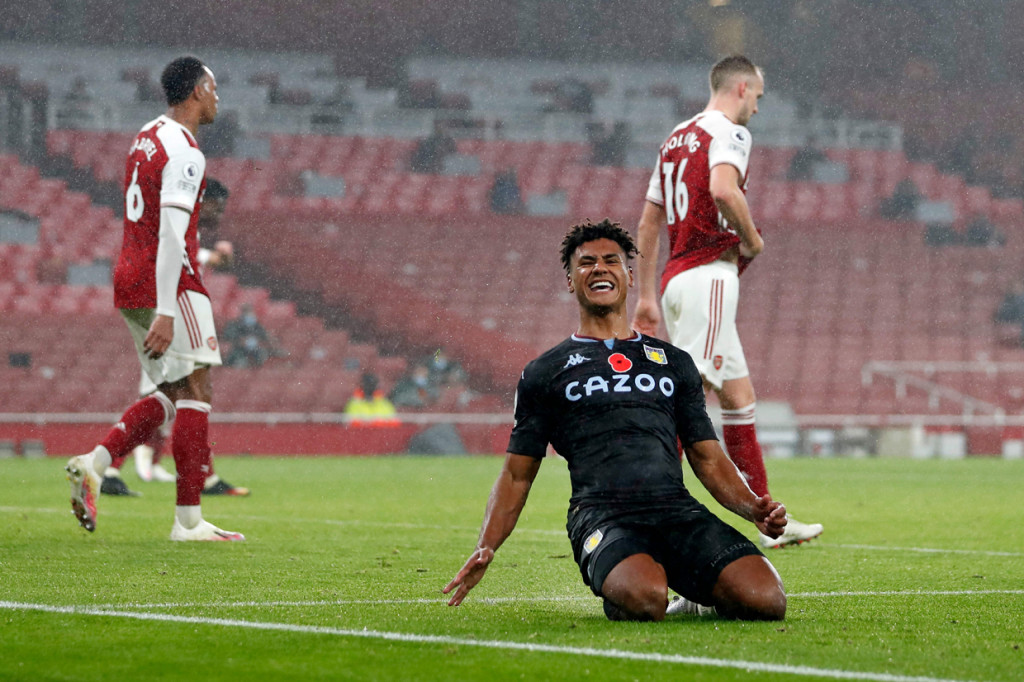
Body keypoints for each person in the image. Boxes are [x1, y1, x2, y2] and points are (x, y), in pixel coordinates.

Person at [444, 220, 788, 621]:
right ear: (570, 280)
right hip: (602, 515)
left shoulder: (674, 363)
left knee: (765, 600)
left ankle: (694, 595)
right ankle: (630, 583)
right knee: (646, 600)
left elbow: (707, 458)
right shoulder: (545, 372)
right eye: (586, 262)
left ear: (629, 276)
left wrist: (752, 508)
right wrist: (486, 546)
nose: (599, 268)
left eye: (611, 260)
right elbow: (517, 474)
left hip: (677, 511)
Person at [631, 55, 822, 549]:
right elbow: (723, 189)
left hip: (677, 281)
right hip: (709, 276)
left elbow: (649, 222)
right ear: (741, 88)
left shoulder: (676, 138)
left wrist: (647, 295)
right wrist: (752, 238)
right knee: (687, 395)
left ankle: (768, 520)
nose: (756, 108)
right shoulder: (730, 133)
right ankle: (648, 512)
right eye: (757, 96)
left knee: (738, 399)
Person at [63, 55, 244, 541]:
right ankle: (188, 521)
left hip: (129, 277)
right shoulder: (185, 151)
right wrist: (167, 308)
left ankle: (96, 462)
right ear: (197, 91)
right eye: (213, 87)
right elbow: (169, 233)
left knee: (172, 390)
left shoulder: (145, 136)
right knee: (198, 393)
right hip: (172, 283)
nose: (217, 97)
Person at [102, 177, 246, 496]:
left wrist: (213, 257)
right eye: (218, 207)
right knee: (187, 396)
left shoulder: (185, 228)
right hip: (167, 319)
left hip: (162, 315)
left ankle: (110, 467)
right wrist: (212, 258)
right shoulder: (179, 223)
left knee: (180, 398)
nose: (220, 214)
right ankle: (105, 465)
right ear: (203, 201)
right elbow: (173, 255)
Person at [222, 303, 280, 368]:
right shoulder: (234, 324)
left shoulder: (257, 325)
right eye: (246, 312)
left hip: (255, 350)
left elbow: (265, 336)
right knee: (240, 363)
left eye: (250, 312)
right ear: (242, 313)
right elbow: (228, 336)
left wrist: (260, 340)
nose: (249, 315)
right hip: (239, 351)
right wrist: (240, 340)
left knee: (265, 357)